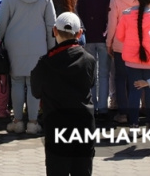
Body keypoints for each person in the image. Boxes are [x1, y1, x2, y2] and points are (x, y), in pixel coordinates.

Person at [30, 12, 96, 176]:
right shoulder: (89, 60)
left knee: (57, 169)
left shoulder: (45, 63)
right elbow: (91, 83)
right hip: (83, 124)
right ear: (79, 33)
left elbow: (35, 92)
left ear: (54, 31)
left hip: (56, 125)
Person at [0, 0, 56, 135]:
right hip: (38, 44)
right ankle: (32, 122)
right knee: (33, 83)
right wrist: (51, 46)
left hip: (14, 44)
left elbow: (2, 23)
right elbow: (50, 23)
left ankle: (17, 121)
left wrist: (0, 41)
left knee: (16, 81)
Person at [115, 0, 150, 127]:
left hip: (131, 59)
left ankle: (133, 123)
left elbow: (119, 36)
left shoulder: (126, 15)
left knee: (134, 91)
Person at [76, 0, 113, 119]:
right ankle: (103, 108)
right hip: (104, 37)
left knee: (90, 75)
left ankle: (92, 105)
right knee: (104, 74)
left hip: (88, 37)